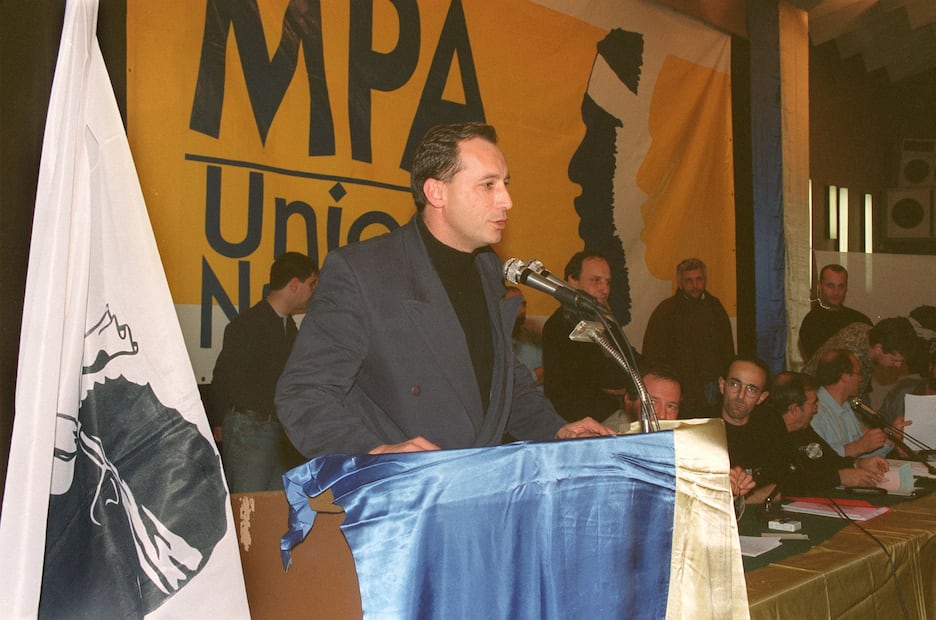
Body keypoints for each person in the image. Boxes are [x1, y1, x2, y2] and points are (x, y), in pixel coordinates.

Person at [275, 123, 613, 457]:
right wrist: (375, 452)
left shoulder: (487, 268)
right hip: (405, 496)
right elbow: (303, 394)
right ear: (437, 192)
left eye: (505, 184)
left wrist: (555, 428)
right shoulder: (363, 271)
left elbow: (502, 385)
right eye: (488, 185)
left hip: (479, 484)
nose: (507, 200)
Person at [211, 252, 318, 492]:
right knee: (250, 507)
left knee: (272, 508)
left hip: (275, 430)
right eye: (311, 284)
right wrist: (221, 422)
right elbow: (223, 376)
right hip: (250, 428)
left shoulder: (288, 327)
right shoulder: (248, 324)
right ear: (294, 284)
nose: (313, 291)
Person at [603, 364, 755, 497]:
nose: (662, 415)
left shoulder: (679, 440)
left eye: (671, 406)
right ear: (629, 399)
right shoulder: (607, 439)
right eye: (652, 402)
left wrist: (726, 488)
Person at [753, 372, 887, 496]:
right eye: (813, 404)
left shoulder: (802, 430)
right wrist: (840, 477)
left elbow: (827, 460)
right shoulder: (766, 435)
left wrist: (857, 464)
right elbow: (792, 481)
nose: (816, 409)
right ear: (794, 409)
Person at [542, 251, 627, 422]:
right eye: (596, 280)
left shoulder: (606, 322)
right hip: (586, 420)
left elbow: (628, 361)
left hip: (610, 411)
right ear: (573, 280)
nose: (604, 289)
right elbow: (601, 375)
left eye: (608, 282)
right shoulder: (561, 325)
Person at [642, 258, 735, 416]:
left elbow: (727, 347)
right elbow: (653, 354)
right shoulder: (666, 311)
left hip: (716, 383)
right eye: (689, 280)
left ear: (705, 280)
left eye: (699, 279)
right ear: (680, 283)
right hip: (683, 387)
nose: (695, 285)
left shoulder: (715, 307)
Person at [803, 316, 919, 399]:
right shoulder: (852, 360)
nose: (898, 365)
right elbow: (842, 403)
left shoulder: (866, 331)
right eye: (895, 360)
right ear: (878, 349)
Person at [811, 349, 898, 459]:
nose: (861, 379)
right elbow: (819, 459)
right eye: (858, 373)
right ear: (845, 376)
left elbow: (863, 455)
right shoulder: (814, 411)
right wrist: (858, 446)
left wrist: (890, 438)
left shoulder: (846, 407)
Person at [799, 264, 872, 360]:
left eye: (841, 286)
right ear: (820, 286)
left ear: (846, 288)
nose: (836, 292)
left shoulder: (859, 319)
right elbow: (820, 362)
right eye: (830, 286)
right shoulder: (811, 323)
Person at [504, 286, 543, 388]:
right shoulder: (496, 342)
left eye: (524, 304)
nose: (522, 310)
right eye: (516, 305)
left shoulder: (533, 336)